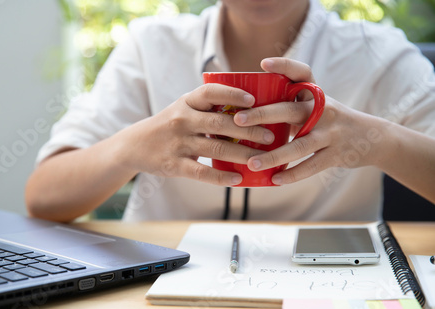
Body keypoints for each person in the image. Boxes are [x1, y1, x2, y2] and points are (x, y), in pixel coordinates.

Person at [25, 0, 435, 222]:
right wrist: (129, 147)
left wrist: (381, 140)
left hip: (322, 285)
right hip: (159, 289)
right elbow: (44, 197)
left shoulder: (378, 54)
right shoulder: (150, 45)